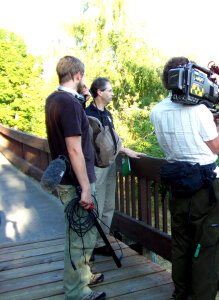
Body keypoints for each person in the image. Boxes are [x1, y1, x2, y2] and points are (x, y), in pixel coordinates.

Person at [150, 57, 219, 300]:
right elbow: (216, 146)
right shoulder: (199, 111)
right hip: (206, 189)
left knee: (181, 243)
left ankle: (181, 293)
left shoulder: (157, 110)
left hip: (177, 186)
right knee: (207, 247)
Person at [45, 56, 106, 300]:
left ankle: (82, 276)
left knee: (81, 233)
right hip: (75, 180)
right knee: (81, 237)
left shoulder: (55, 99)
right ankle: (77, 291)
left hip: (66, 178)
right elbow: (74, 149)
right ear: (79, 75)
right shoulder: (69, 104)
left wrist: (81, 99)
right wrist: (85, 188)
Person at [86, 77, 144, 256]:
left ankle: (100, 242)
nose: (112, 94)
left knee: (109, 205)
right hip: (96, 167)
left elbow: (111, 142)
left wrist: (124, 150)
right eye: (109, 91)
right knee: (97, 206)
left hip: (110, 165)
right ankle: (90, 245)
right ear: (99, 92)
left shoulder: (107, 115)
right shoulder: (87, 114)